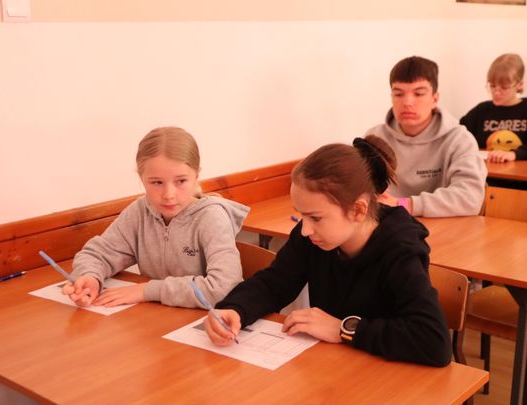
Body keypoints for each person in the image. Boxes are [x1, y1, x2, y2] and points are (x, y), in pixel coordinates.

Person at [204, 136, 452, 367]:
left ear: (358, 210)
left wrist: (342, 329)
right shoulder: (315, 237)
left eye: (315, 218)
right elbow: (274, 283)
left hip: (388, 376)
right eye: (301, 215)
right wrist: (235, 308)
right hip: (332, 368)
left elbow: (434, 342)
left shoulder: (400, 250)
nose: (305, 230)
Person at [63, 126, 249, 308]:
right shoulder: (139, 212)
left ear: (196, 175)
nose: (169, 195)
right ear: (142, 178)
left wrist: (147, 291)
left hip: (203, 321)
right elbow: (98, 254)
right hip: (154, 317)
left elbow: (224, 288)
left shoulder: (212, 218)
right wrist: (90, 277)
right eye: (157, 182)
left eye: (181, 181)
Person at [366, 56, 487, 217]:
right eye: (398, 94)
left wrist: (405, 204)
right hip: (388, 224)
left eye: (418, 94)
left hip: (445, 227)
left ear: (434, 99)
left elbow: (470, 198)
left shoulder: (460, 139)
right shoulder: (374, 138)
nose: (407, 102)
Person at [460, 53, 527, 163]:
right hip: (488, 171)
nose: (496, 92)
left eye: (504, 87)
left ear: (519, 84)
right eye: (492, 86)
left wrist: (514, 154)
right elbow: (457, 134)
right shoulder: (481, 111)